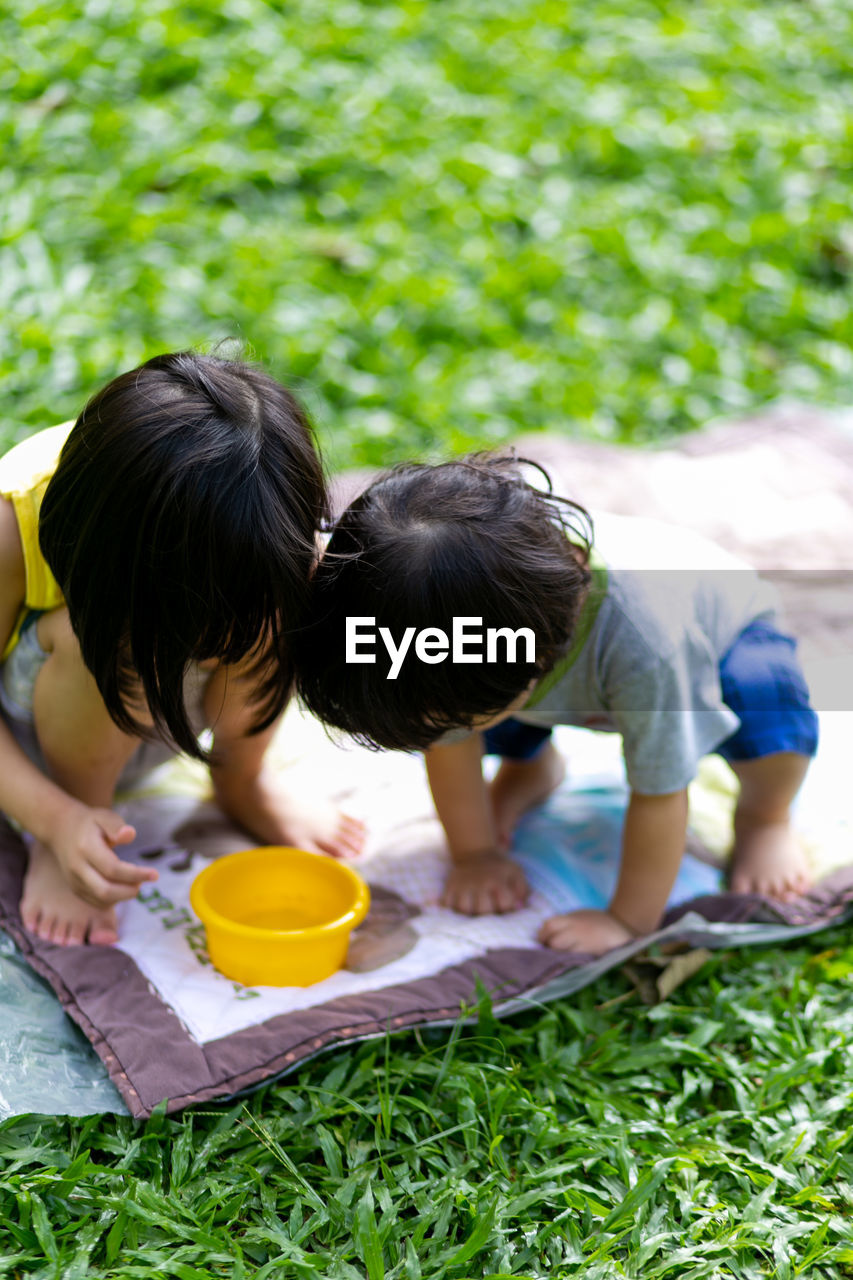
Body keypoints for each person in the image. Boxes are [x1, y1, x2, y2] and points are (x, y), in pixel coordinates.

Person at [294, 452, 819, 956]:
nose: (440, 737)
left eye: (447, 725)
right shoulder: (459, 625)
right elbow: (449, 741)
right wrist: (475, 854)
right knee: (454, 707)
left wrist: (625, 921)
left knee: (769, 709)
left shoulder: (648, 646)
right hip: (536, 674)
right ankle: (533, 768)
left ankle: (765, 818)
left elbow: (661, 790)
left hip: (723, 647)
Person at [0, 350, 363, 947]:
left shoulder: (256, 520)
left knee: (278, 597)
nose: (221, 650)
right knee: (101, 644)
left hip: (164, 715)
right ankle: (82, 825)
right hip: (43, 728)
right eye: (204, 624)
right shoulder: (16, 524)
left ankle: (242, 779)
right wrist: (55, 821)